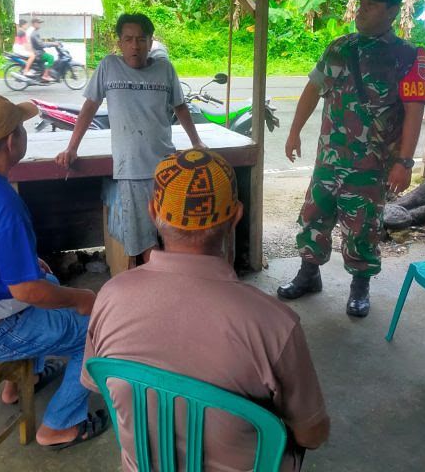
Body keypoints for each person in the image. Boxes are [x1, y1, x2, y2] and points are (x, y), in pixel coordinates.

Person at [81, 149, 329, 471]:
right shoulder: (274, 325)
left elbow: (95, 380)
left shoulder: (110, 296)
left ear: (153, 210)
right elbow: (312, 434)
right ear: (236, 216)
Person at [0, 94, 110, 449]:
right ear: (13, 141)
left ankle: (25, 379)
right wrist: (84, 297)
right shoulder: (2, 202)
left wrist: (30, 262)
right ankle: (60, 425)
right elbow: (27, 291)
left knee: (49, 280)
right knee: (98, 331)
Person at [277, 0, 425, 318]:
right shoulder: (340, 47)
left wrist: (404, 161)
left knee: (363, 226)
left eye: (372, 4)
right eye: (361, 2)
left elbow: (415, 109)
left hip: (371, 164)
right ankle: (308, 274)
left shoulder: (408, 55)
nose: (362, 9)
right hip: (330, 158)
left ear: (392, 10)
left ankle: (360, 286)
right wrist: (294, 132)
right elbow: (313, 89)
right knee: (314, 216)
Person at [55, 13, 204, 263]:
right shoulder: (108, 66)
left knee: (175, 236)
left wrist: (196, 143)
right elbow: (89, 107)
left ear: (150, 41)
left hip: (167, 169)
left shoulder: (165, 69)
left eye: (141, 39)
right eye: (128, 39)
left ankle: (168, 287)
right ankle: (153, 290)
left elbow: (180, 107)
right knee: (144, 241)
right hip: (131, 170)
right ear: (120, 42)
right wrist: (72, 148)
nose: (135, 46)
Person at [23, 17, 56, 81]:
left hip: (33, 50)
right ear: (34, 23)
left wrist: (49, 42)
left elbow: (38, 42)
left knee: (45, 58)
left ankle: (42, 73)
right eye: (39, 23)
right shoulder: (34, 32)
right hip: (36, 52)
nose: (39, 25)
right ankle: (45, 75)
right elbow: (40, 44)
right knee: (51, 57)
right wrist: (53, 44)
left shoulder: (31, 31)